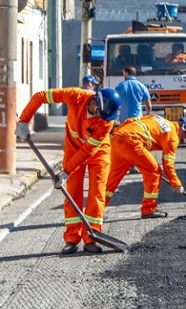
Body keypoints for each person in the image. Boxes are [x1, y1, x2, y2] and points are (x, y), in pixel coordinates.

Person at [15, 88, 120, 254]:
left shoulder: (106, 122)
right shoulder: (75, 96)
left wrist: (66, 171)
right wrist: (24, 121)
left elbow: (87, 151)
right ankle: (72, 238)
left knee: (97, 194)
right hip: (72, 149)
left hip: (97, 152)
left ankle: (91, 238)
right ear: (93, 103)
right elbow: (40, 97)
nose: (102, 118)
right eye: (101, 113)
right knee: (72, 192)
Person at [104, 115, 186, 219]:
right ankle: (148, 210)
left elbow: (131, 120)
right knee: (154, 172)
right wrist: (176, 184)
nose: (182, 139)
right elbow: (168, 165)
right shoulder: (173, 136)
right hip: (132, 142)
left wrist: (116, 132)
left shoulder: (158, 118)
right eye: (185, 136)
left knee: (112, 179)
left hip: (118, 138)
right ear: (184, 128)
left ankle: (96, 211)